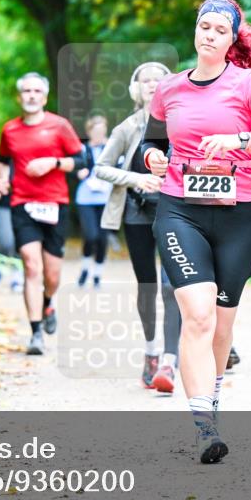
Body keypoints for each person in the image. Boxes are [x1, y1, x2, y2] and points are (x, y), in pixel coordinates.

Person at [141, 0, 251, 463]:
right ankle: (203, 425)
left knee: (221, 325)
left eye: (219, 30)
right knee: (198, 314)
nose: (208, 35)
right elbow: (151, 144)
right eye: (203, 26)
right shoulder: (169, 89)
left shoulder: (248, 85)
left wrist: (241, 140)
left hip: (238, 218)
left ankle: (212, 396)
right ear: (195, 31)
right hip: (180, 211)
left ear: (231, 40)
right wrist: (152, 157)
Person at [93, 62, 182, 393]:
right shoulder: (128, 127)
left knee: (173, 287)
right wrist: (137, 179)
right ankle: (151, 353)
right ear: (136, 88)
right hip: (137, 213)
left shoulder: (181, 122)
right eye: (145, 80)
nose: (152, 84)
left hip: (176, 212)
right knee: (147, 287)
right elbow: (101, 167)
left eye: (159, 79)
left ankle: (172, 358)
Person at [0, 72, 84, 355]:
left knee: (52, 275)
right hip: (22, 203)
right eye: (26, 91)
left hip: (55, 203)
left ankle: (48, 302)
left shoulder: (59, 126)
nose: (31, 95)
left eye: (36, 91)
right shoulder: (9, 129)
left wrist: (53, 163)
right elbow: (1, 160)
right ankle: (35, 334)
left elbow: (82, 160)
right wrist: (1, 179)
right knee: (31, 266)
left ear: (44, 97)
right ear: (20, 97)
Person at [75, 114, 113, 289]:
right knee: (91, 236)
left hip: (105, 197)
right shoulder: (82, 149)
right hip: (86, 198)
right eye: (96, 131)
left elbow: (120, 167)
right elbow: (73, 166)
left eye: (102, 131)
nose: (99, 134)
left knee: (103, 239)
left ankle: (97, 274)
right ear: (89, 131)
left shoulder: (111, 147)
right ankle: (84, 269)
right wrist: (78, 173)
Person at [0, 157, 22, 292]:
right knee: (6, 242)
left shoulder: (26, 154)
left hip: (22, 204)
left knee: (20, 242)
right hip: (3, 205)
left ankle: (17, 276)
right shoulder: (0, 158)